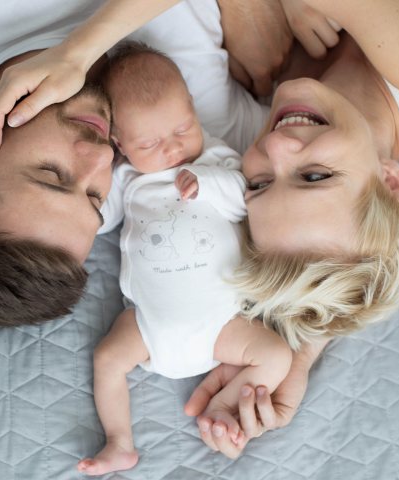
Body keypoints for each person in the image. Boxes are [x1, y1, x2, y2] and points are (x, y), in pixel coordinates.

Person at [0, 0, 399, 459]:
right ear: (391, 182)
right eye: (315, 176)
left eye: (258, 184)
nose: (276, 146)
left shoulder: (274, 107)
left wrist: (296, 361)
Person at [0, 0, 280, 326]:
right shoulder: (193, 139)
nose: (103, 157)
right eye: (96, 197)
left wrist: (78, 52)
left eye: (52, 174)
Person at [74, 43, 292, 475]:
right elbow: (96, 218)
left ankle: (227, 400)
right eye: (150, 143)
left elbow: (246, 201)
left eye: (182, 128)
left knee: (278, 355)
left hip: (223, 322)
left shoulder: (217, 159)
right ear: (119, 144)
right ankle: (119, 442)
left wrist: (207, 182)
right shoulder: (126, 179)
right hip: (149, 326)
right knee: (107, 359)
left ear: (192, 106)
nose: (173, 149)